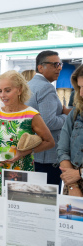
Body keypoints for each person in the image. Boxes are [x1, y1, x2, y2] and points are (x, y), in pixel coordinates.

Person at [0, 70, 55, 196]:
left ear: (19, 90)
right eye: (0, 91)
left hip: (22, 171)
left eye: (7, 90)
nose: (2, 95)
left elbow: (50, 142)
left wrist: (24, 152)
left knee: (19, 211)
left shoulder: (31, 114)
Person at [27, 50, 72, 190]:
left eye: (60, 64)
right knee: (47, 203)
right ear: (40, 67)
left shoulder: (30, 85)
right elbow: (49, 122)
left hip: (34, 153)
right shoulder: (46, 87)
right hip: (47, 157)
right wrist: (67, 116)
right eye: (55, 64)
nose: (59, 68)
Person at [57, 64, 83, 196]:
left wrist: (79, 174)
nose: (81, 93)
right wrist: (73, 186)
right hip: (72, 183)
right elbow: (62, 149)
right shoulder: (76, 113)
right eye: (79, 87)